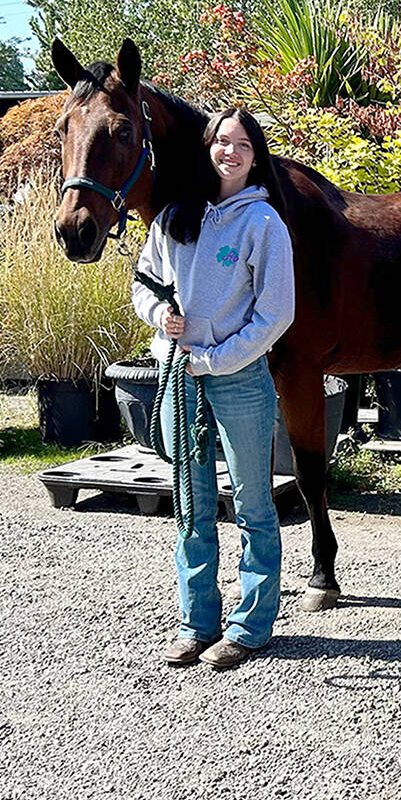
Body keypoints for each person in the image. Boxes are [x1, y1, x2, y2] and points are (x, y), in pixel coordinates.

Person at [132, 108, 296, 670]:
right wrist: (160, 316)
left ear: (256, 156)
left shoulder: (264, 225)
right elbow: (146, 283)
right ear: (208, 147)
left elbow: (275, 313)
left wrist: (218, 358)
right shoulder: (175, 216)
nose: (230, 151)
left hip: (238, 380)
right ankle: (195, 622)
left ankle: (250, 627)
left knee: (253, 504)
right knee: (192, 506)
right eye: (222, 141)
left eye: (243, 145)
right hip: (179, 374)